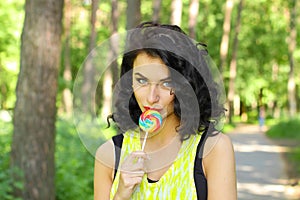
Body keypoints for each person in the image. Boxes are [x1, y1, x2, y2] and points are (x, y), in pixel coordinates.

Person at [94, 22, 237, 200]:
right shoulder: (108, 155)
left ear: (185, 86)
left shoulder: (214, 149)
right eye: (142, 80)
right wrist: (121, 195)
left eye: (166, 83)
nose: (151, 97)